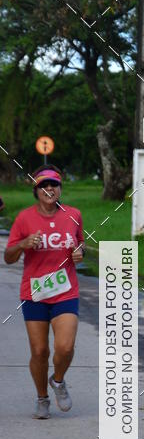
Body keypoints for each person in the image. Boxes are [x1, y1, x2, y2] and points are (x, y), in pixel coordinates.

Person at [4, 165, 85, 418]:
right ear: (36, 190)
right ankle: (42, 398)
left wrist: (79, 253)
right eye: (43, 185)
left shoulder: (73, 214)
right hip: (35, 292)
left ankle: (58, 381)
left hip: (65, 290)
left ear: (60, 188)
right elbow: (8, 257)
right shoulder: (24, 218)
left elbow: (80, 243)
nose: (49, 189)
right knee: (39, 351)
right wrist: (23, 244)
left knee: (65, 347)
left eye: (54, 184)